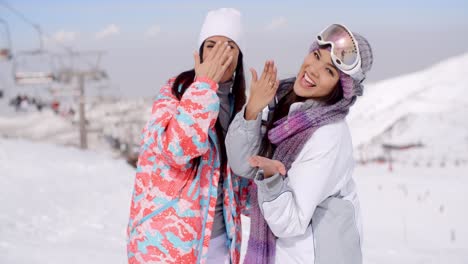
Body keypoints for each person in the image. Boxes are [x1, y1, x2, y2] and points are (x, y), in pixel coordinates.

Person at [226, 24, 374, 263]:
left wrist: (272, 179)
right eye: (316, 56)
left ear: (340, 88)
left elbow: (291, 222)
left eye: (329, 70)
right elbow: (241, 164)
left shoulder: (327, 135)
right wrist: (252, 110)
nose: (313, 70)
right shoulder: (284, 104)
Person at [127, 8, 251, 264]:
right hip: (165, 245)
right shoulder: (175, 92)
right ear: (200, 54)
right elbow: (177, 150)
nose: (219, 54)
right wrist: (204, 86)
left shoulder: (237, 106)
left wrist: (254, 117)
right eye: (212, 45)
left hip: (218, 243)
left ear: (239, 56)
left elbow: (242, 190)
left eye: (229, 46)